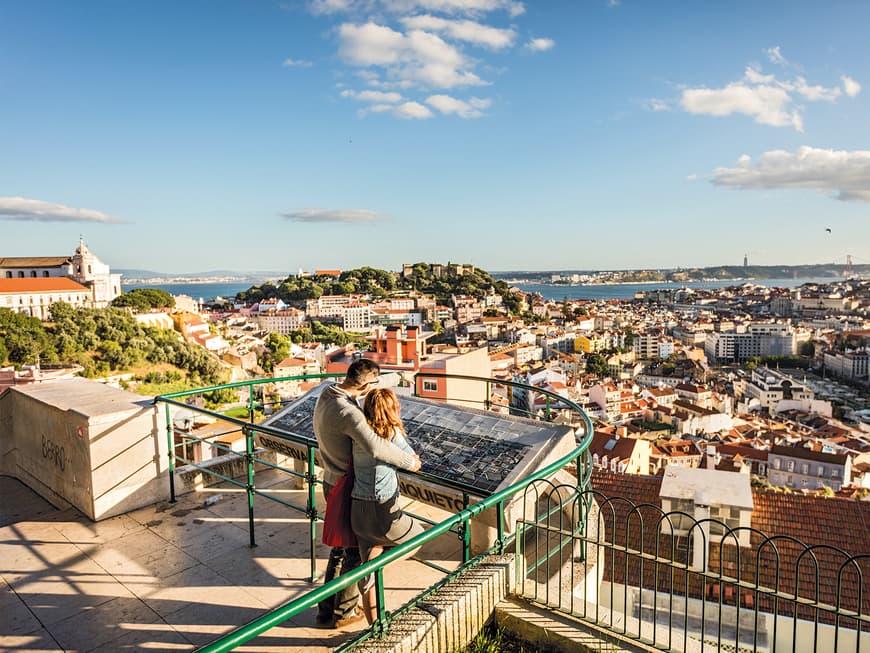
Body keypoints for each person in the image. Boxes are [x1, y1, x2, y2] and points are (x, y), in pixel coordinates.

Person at [313, 359, 421, 629]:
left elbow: (369, 385)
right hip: (345, 486)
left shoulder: (328, 391)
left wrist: (398, 376)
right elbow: (375, 447)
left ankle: (326, 608)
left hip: (330, 478)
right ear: (365, 385)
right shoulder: (348, 412)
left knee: (340, 549)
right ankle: (344, 612)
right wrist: (410, 463)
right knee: (351, 554)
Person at [352, 387, 425, 624]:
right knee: (418, 537)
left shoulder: (358, 434)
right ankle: (377, 569)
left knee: (368, 564)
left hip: (357, 508)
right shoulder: (391, 433)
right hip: (383, 509)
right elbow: (413, 461)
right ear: (392, 409)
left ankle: (374, 627)